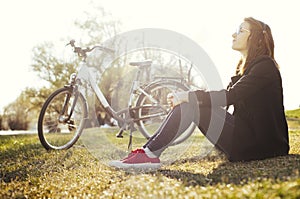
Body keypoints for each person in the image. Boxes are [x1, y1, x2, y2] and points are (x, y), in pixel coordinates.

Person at [109, 17, 290, 170]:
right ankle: (148, 152)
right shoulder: (245, 68)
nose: (234, 34)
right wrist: (190, 98)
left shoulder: (265, 66)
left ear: (256, 38)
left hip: (262, 146)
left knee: (191, 102)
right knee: (192, 102)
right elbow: (223, 100)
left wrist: (189, 96)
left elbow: (231, 96)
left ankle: (150, 154)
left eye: (240, 31)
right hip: (247, 139)